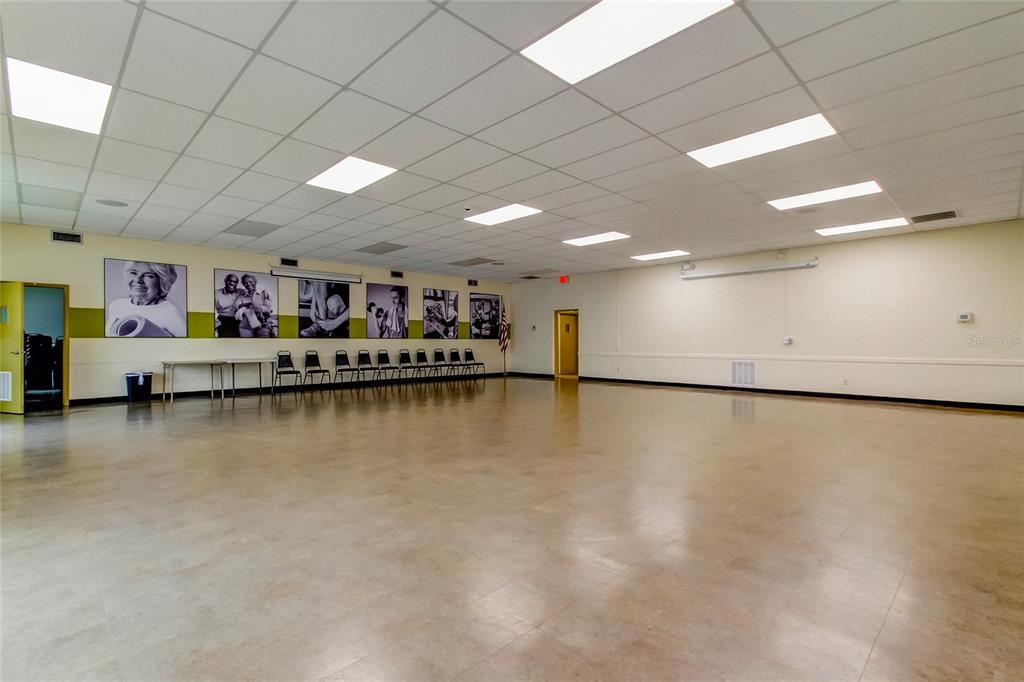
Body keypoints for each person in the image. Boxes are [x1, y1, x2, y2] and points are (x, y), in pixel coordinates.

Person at [106, 261, 187, 337]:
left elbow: (187, 344)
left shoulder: (169, 311)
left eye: (149, 275)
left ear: (162, 282)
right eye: (133, 273)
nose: (138, 280)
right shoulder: (116, 305)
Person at [236, 273, 276, 337]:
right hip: (245, 327)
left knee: (261, 344)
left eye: (250, 282)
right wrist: (248, 304)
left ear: (255, 282)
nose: (248, 284)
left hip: (262, 325)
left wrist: (259, 309)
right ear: (243, 285)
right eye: (245, 283)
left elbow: (268, 308)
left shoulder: (264, 293)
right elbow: (238, 306)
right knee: (246, 345)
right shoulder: (241, 296)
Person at [214, 272, 241, 337]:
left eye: (235, 282)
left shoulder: (241, 292)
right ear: (225, 281)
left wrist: (264, 293)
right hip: (223, 321)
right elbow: (209, 311)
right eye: (229, 281)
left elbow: (252, 296)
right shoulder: (216, 293)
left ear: (237, 283)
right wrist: (216, 324)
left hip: (238, 321)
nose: (232, 283)